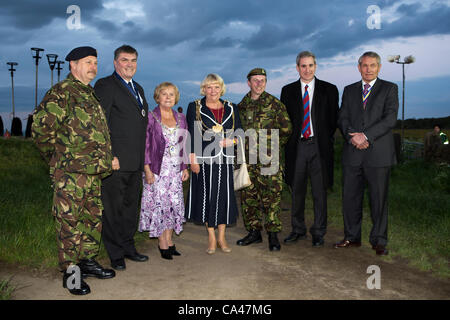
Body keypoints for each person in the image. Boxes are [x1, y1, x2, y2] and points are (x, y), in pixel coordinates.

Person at [32, 46, 118, 295]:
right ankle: (71, 273)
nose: (93, 66)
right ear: (73, 65)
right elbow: (41, 130)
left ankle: (87, 262)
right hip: (70, 175)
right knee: (69, 223)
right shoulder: (62, 93)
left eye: (95, 62)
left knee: (92, 220)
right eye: (88, 62)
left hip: (92, 174)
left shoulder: (88, 93)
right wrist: (60, 159)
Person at [335, 51, 399, 256]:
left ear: (379, 67)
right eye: (364, 65)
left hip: (378, 155)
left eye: (372, 65)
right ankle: (352, 237)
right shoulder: (349, 90)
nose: (368, 69)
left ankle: (379, 240)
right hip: (352, 153)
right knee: (350, 198)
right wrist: (352, 137)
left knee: (378, 200)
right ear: (359, 67)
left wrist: (366, 136)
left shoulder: (389, 88)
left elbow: (390, 119)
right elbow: (342, 117)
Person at [94, 45, 149, 271]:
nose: (130, 64)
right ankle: (115, 253)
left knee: (129, 207)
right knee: (113, 208)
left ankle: (128, 247)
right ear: (116, 62)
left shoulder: (138, 88)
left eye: (133, 60)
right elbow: (101, 123)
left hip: (135, 162)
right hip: (116, 162)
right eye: (125, 60)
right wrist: (109, 155)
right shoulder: (106, 85)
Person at [281, 51, 339, 247]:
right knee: (296, 190)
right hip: (296, 148)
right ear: (297, 68)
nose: (307, 70)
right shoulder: (287, 91)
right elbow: (286, 121)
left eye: (310, 66)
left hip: (319, 148)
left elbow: (333, 121)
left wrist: (321, 139)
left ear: (316, 66)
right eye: (303, 66)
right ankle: (297, 229)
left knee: (319, 192)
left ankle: (318, 232)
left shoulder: (329, 90)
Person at [236, 68, 292, 251]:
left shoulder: (274, 104)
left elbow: (286, 129)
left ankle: (273, 234)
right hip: (248, 160)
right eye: (256, 80)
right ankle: (254, 232)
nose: (259, 83)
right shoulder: (241, 106)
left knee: (272, 197)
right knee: (248, 197)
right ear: (249, 83)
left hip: (269, 160)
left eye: (263, 80)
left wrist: (272, 147)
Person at [185, 73, 242, 254]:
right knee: (208, 197)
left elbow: (240, 133)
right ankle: (211, 236)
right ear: (204, 89)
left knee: (224, 197)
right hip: (204, 160)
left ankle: (222, 237)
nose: (213, 91)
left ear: (221, 88)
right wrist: (192, 159)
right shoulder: (194, 107)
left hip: (225, 160)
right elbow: (190, 136)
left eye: (216, 87)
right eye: (209, 87)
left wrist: (231, 141)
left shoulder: (231, 108)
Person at [138, 82, 189, 260]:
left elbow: (184, 144)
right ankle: (162, 243)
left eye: (171, 94)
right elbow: (144, 145)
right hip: (157, 169)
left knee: (173, 205)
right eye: (164, 94)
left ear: (176, 98)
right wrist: (147, 169)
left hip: (175, 170)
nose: (168, 97)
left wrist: (185, 167)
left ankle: (170, 240)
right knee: (160, 205)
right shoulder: (151, 117)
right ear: (157, 97)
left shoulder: (181, 118)